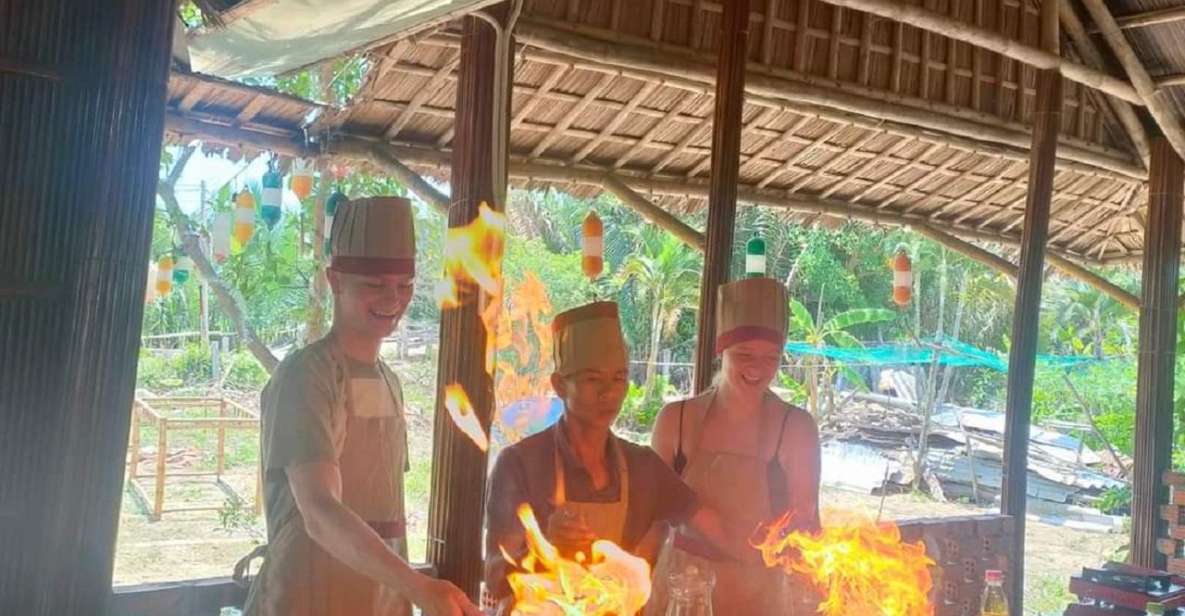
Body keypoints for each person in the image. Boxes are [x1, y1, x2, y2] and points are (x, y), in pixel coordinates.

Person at [241, 197, 480, 616]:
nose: (393, 298)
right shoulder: (306, 376)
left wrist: (405, 592)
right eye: (374, 284)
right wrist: (419, 586)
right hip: (309, 596)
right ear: (334, 280)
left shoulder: (391, 380)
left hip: (380, 601)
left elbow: (383, 508)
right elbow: (319, 510)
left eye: (404, 285)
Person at [484, 301, 746, 609]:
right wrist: (545, 546)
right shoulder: (519, 464)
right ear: (559, 385)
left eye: (619, 378)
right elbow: (495, 577)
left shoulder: (643, 467)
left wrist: (779, 549)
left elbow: (715, 527)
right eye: (593, 379)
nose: (609, 393)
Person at [649, 277, 822, 615]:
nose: (757, 368)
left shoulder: (796, 429)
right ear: (721, 349)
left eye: (771, 358)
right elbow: (650, 519)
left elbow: (805, 527)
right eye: (744, 354)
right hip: (683, 593)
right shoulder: (675, 420)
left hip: (758, 597)